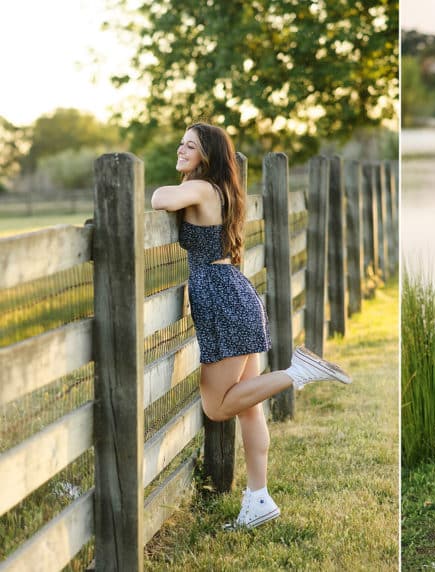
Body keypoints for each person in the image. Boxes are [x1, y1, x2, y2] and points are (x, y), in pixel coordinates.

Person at [151, 122, 351, 530]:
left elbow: (159, 199)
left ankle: (298, 372)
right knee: (250, 409)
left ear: (207, 155)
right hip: (235, 295)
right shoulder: (224, 189)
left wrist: (180, 181)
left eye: (190, 145)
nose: (181, 149)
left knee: (218, 406)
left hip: (224, 302)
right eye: (181, 143)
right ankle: (258, 499)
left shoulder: (203, 188)